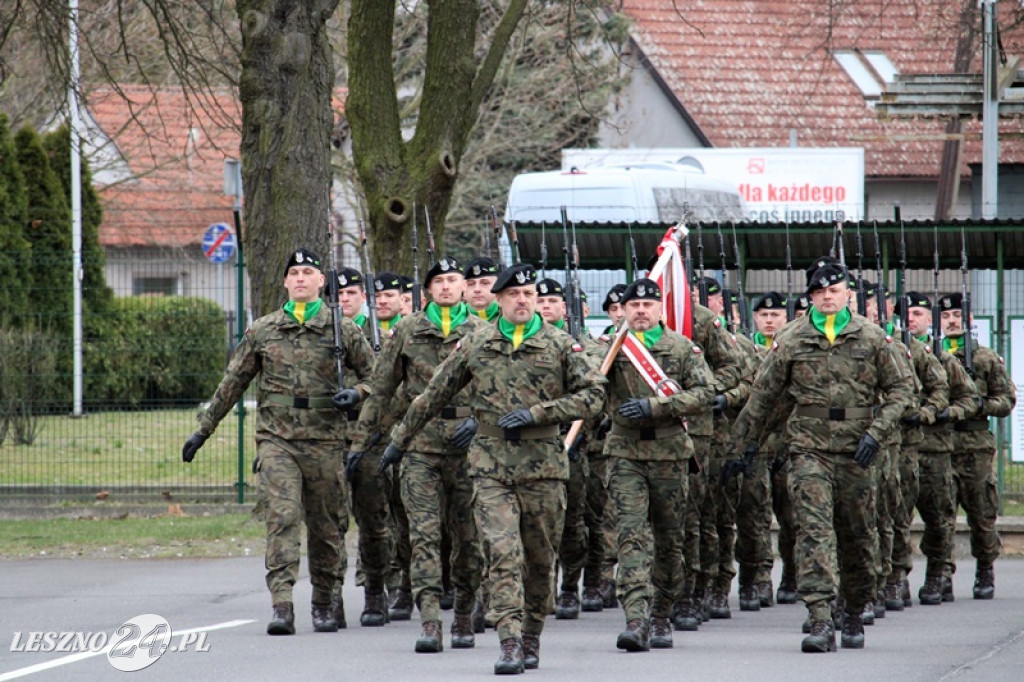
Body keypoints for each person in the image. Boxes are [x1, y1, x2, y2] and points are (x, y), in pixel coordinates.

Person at [380, 263, 606, 675]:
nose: (523, 301)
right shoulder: (477, 343)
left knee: (539, 560)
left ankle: (532, 633)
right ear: (499, 300)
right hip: (490, 467)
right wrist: (398, 441)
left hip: (544, 468)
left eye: (529, 294)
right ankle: (509, 640)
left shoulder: (560, 344)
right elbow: (432, 395)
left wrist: (540, 412)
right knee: (502, 552)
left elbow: (594, 397)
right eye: (514, 295)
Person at [181, 248, 375, 635]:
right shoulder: (264, 329)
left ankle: (324, 601)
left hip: (325, 439)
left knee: (326, 527)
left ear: (322, 281)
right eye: (294, 273)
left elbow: (378, 376)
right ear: (285, 282)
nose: (301, 278)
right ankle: (282, 604)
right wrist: (204, 429)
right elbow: (233, 382)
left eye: (309, 272)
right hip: (278, 440)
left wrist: (358, 393)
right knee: (282, 518)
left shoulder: (342, 330)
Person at [730, 259, 914, 652]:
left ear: (848, 293)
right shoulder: (792, 338)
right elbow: (764, 398)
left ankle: (853, 608)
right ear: (810, 297)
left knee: (858, 535)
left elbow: (901, 391)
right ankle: (818, 616)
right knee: (812, 531)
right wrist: (742, 445)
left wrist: (877, 433)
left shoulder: (872, 337)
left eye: (834, 291)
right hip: (809, 448)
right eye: (820, 292)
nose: (827, 297)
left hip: (857, 450)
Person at [347, 256, 485, 653]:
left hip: (468, 448)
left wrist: (479, 420)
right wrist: (361, 442)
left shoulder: (481, 330)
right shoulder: (408, 331)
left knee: (467, 537)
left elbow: (498, 390)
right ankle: (429, 621)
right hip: (418, 445)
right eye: (437, 281)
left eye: (452, 280)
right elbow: (380, 390)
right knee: (423, 534)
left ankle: (462, 613)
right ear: (426, 291)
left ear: (463, 287)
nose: (445, 286)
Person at [603, 278, 713, 651]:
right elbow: (586, 387)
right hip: (625, 453)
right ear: (624, 310)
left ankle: (662, 612)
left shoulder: (682, 348)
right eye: (632, 305)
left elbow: (704, 393)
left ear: (658, 309)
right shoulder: (611, 347)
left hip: (668, 454)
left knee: (669, 539)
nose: (640, 311)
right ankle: (636, 618)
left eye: (647, 305)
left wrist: (657, 406)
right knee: (631, 536)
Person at [938, 292, 1017, 599]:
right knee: (941, 515)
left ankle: (985, 568)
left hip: (975, 446)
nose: (951, 320)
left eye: (957, 314)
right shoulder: (932, 357)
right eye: (945, 316)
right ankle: (941, 573)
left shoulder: (984, 358)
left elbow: (1007, 400)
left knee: (981, 514)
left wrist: (977, 404)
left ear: (969, 319)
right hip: (942, 443)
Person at [465, 257, 502, 321]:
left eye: (485, 283)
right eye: (471, 284)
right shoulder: (455, 320)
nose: (477, 289)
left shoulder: (510, 319)